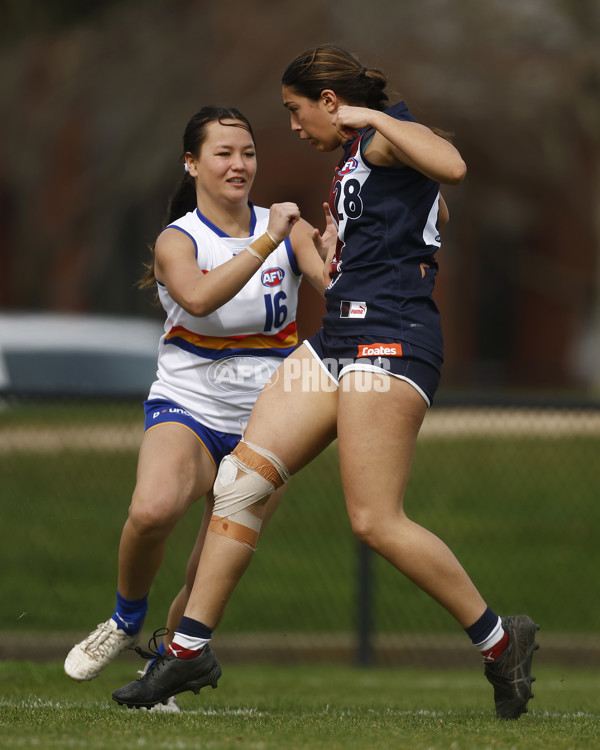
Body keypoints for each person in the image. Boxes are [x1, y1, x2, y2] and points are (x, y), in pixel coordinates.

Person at [111, 47, 539, 720]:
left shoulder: (381, 134)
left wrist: (372, 122)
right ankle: (188, 652)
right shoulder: (364, 156)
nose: (292, 126)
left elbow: (452, 169)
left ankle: (498, 640)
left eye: (294, 110)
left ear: (331, 103)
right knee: (242, 481)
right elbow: (429, 214)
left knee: (374, 520)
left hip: (391, 340)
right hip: (338, 335)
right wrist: (344, 235)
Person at [64, 105, 329, 692]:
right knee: (153, 510)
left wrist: (338, 247)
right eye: (224, 153)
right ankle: (123, 619)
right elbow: (201, 298)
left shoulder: (288, 226)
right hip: (189, 404)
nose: (240, 165)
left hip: (270, 418)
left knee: (209, 568)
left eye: (249, 153)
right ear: (192, 163)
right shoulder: (178, 239)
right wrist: (267, 242)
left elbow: (333, 284)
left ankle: (163, 669)